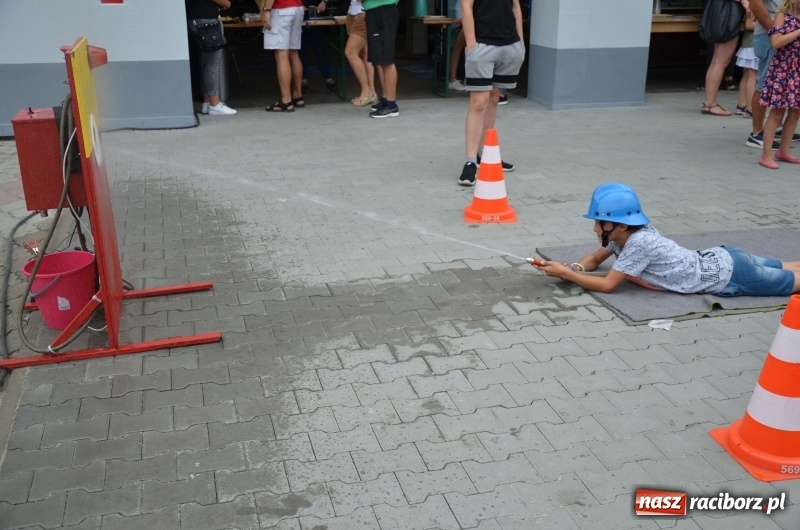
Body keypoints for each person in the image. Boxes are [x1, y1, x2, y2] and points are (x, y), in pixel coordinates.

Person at [534, 183, 800, 297]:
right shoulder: (625, 234)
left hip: (730, 275)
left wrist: (567, 275)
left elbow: (607, 285)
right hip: (726, 258)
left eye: (599, 222)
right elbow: (594, 259)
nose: (595, 228)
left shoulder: (638, 243)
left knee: (793, 281)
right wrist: (576, 268)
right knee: (790, 266)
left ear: (621, 225)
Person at [457, 0, 525, 186]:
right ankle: (470, 161)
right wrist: (471, 44)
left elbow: (515, 6)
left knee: (494, 98)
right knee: (479, 102)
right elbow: (466, 6)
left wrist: (520, 42)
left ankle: (485, 154)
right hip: (482, 45)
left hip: (510, 45)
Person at [745, 0, 798, 148]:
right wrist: (775, 31)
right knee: (764, 84)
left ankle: (776, 128)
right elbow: (755, 4)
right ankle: (757, 133)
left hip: (784, 35)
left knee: (782, 85)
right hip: (769, 36)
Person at [756, 0, 800, 169]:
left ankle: (784, 150)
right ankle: (766, 155)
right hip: (784, 68)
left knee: (796, 111)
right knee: (777, 112)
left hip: (797, 69)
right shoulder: (783, 15)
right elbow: (775, 42)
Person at [186, 0, 238, 116]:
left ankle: (207, 102)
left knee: (206, 63)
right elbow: (225, 3)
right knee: (212, 64)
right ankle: (215, 104)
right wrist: (227, 3)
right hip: (208, 19)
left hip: (195, 18)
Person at [701, 0, 749, 116]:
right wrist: (744, 1)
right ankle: (710, 104)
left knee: (716, 61)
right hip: (728, 18)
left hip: (722, 16)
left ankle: (709, 102)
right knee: (721, 62)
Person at [263, 0, 305, 112]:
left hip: (281, 10)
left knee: (281, 55)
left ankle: (286, 100)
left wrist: (267, 10)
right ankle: (298, 95)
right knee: (293, 52)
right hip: (297, 8)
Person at [363, 0, 400, 118]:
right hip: (376, 12)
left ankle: (391, 105)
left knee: (386, 60)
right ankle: (386, 99)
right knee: (380, 59)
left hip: (384, 11)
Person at [300, 0, 337, 97]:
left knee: (320, 48)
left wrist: (324, 2)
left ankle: (328, 78)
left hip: (317, 13)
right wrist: (298, 4)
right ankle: (303, 80)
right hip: (299, 13)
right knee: (301, 50)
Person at [345, 0, 378, 106]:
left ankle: (366, 91)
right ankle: (371, 92)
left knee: (350, 52)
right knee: (364, 54)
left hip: (362, 13)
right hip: (353, 12)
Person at [735, 8, 757, 118]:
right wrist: (774, 24)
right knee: (753, 75)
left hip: (749, 43)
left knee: (748, 74)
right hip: (754, 44)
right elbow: (749, 25)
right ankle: (751, 108)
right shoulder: (757, 4)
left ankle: (742, 105)